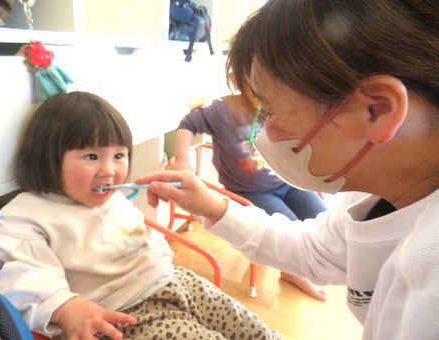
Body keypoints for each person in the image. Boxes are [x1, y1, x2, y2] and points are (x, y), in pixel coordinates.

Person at [136, 0, 439, 339]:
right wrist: (208, 204)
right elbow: (315, 249)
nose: (261, 133)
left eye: (270, 110)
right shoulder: (373, 195)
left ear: (378, 109)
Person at [0, 91, 281, 340]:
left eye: (119, 155)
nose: (109, 169)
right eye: (91, 156)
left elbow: (137, 238)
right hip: (126, 315)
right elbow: (1, 268)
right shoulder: (31, 211)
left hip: (176, 281)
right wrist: (63, 307)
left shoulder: (110, 196)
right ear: (48, 159)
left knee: (249, 326)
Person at [171, 95, 328, 301]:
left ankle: (295, 266)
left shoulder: (281, 104)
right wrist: (182, 158)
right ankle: (291, 271)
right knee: (289, 229)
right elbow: (188, 123)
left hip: (287, 182)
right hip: (250, 191)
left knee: (322, 219)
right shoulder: (223, 110)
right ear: (234, 78)